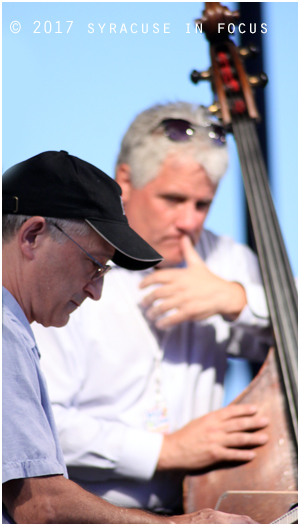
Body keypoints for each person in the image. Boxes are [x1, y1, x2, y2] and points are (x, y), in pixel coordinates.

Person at [32, 103, 272, 516]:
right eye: (173, 199)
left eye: (202, 205)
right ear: (123, 180)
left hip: (201, 511)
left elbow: (285, 344)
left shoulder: (228, 261)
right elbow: (41, 424)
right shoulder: (66, 266)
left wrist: (238, 299)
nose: (189, 222)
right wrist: (165, 451)